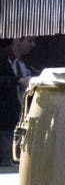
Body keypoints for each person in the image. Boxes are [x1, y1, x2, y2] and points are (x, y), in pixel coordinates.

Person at [0, 36, 36, 166]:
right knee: (7, 163)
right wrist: (17, 81)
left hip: (20, 121)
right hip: (5, 124)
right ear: (17, 40)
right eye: (29, 40)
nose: (33, 45)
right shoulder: (3, 59)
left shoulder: (23, 64)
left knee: (17, 162)